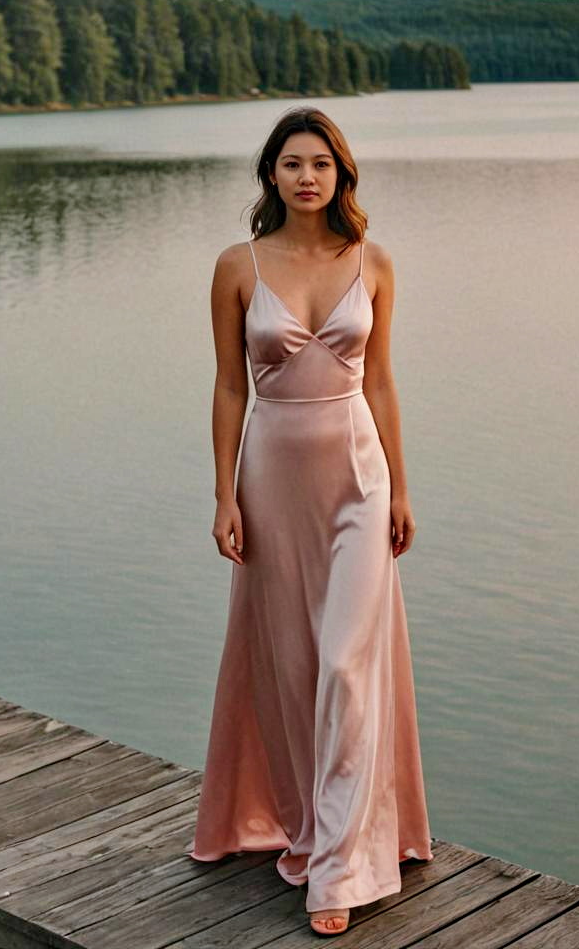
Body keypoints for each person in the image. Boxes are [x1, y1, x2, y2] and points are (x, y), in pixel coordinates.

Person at [185, 106, 433, 937]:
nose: (306, 177)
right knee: (294, 669)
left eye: (321, 163)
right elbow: (228, 388)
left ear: (342, 175)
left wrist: (400, 486)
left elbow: (383, 383)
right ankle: (319, 828)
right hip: (273, 480)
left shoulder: (375, 261)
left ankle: (337, 870)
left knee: (346, 663)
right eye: (291, 163)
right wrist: (223, 494)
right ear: (270, 176)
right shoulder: (235, 266)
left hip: (358, 482)